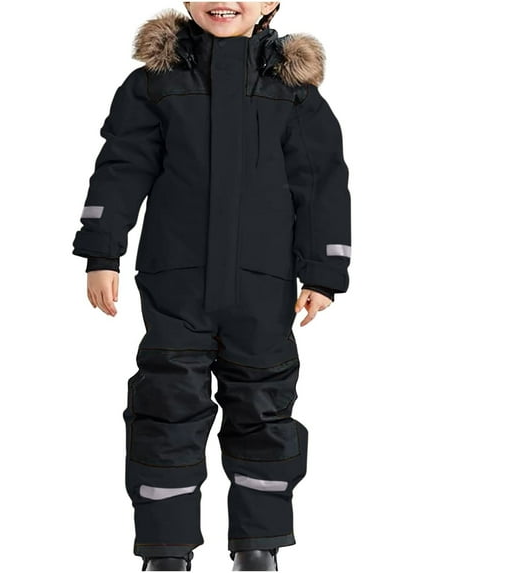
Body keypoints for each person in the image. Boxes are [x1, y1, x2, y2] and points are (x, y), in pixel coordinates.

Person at [72, 2, 351, 571]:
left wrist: (323, 272)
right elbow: (121, 166)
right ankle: (166, 547)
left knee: (263, 408)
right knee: (167, 405)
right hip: (176, 281)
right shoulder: (154, 85)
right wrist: (102, 251)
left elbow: (321, 183)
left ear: (271, 2)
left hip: (263, 285)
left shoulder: (294, 93)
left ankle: (258, 543)